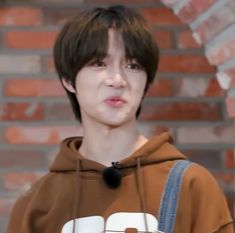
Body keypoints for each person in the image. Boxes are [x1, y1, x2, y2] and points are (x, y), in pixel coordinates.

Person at [7, 5, 234, 233]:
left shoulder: (191, 185)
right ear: (68, 79)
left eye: (132, 66)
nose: (117, 79)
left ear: (146, 83)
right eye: (99, 63)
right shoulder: (36, 204)